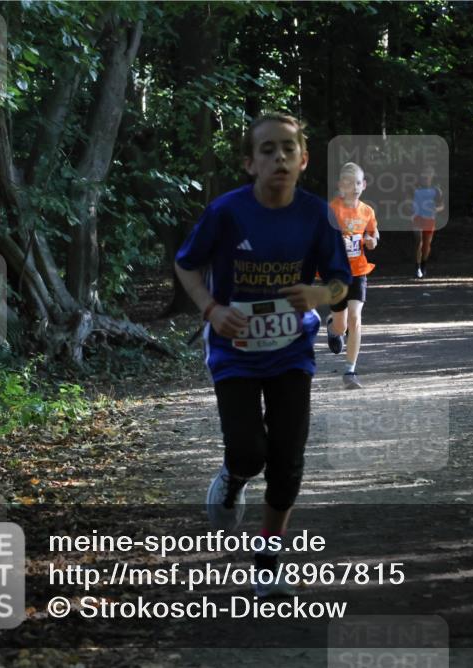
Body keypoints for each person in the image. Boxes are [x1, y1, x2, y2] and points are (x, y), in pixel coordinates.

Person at [174, 113, 351, 597]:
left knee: (288, 458)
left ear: (304, 160)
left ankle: (268, 562)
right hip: (234, 353)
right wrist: (211, 309)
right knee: (250, 451)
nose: (279, 158)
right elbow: (187, 265)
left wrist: (319, 296)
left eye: (288, 149)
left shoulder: (317, 215)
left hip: (292, 352)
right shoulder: (227, 213)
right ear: (250, 163)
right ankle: (233, 477)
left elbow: (341, 283)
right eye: (268, 150)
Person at [326, 162, 379, 389]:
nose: (354, 187)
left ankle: (350, 371)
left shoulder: (367, 211)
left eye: (358, 182)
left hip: (358, 271)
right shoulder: (332, 209)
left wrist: (371, 241)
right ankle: (332, 328)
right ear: (340, 186)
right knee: (341, 324)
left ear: (364, 184)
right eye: (349, 183)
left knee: (355, 318)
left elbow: (374, 236)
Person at [411, 165, 444, 278]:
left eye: (429, 173)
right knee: (418, 241)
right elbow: (406, 199)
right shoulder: (414, 188)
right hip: (417, 218)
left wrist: (437, 209)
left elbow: (441, 205)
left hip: (429, 219)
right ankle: (417, 266)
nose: (426, 176)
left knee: (426, 244)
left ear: (432, 176)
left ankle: (424, 265)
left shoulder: (436, 190)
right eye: (424, 173)